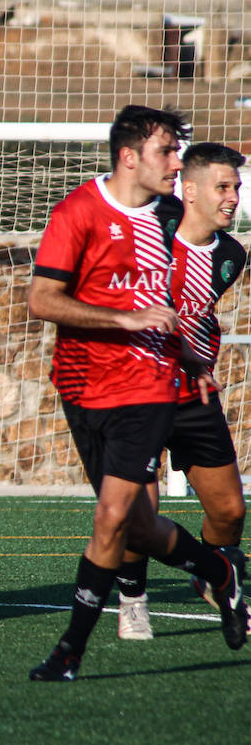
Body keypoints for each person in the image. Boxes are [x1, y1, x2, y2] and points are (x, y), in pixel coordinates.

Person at [27, 105, 247, 681]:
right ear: (130, 157)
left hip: (151, 386)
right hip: (82, 386)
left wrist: (189, 357)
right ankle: (218, 573)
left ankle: (69, 652)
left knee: (112, 515)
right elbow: (42, 301)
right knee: (135, 526)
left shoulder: (174, 216)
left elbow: (180, 309)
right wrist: (123, 318)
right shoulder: (79, 212)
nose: (177, 163)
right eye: (168, 152)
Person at [111, 142, 248, 639]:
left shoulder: (232, 255)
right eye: (223, 187)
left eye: (236, 187)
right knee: (139, 511)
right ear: (189, 191)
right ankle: (132, 599)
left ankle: (211, 574)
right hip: (139, 394)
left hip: (195, 397)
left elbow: (200, 316)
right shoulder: (151, 235)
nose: (233, 198)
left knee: (231, 510)